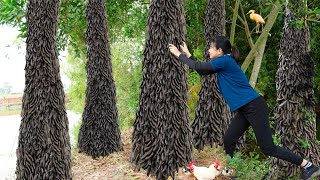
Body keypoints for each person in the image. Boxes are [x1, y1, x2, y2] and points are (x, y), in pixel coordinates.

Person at [168, 36, 319, 180]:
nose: (208, 51)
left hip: (254, 107)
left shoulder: (225, 61)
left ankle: (308, 165)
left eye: (211, 48)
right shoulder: (224, 62)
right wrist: (188, 54)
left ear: (219, 51)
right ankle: (232, 171)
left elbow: (199, 66)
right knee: (229, 139)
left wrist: (178, 54)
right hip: (246, 109)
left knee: (268, 148)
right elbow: (201, 70)